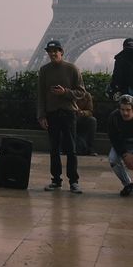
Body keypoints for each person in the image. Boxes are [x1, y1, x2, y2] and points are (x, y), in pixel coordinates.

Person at [36, 40, 85, 193]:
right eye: (50, 51)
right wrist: (41, 115)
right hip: (52, 113)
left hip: (68, 112)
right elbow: (41, 95)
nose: (52, 53)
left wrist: (65, 92)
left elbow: (81, 92)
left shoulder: (72, 69)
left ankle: (73, 181)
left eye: (55, 51)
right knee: (54, 148)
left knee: (71, 148)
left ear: (61, 52)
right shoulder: (44, 70)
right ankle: (56, 180)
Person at [73, 88, 98, 156]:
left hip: (81, 117)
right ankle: (62, 148)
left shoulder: (86, 95)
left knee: (92, 120)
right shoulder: (68, 93)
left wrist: (82, 113)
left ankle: (90, 149)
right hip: (70, 117)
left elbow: (90, 111)